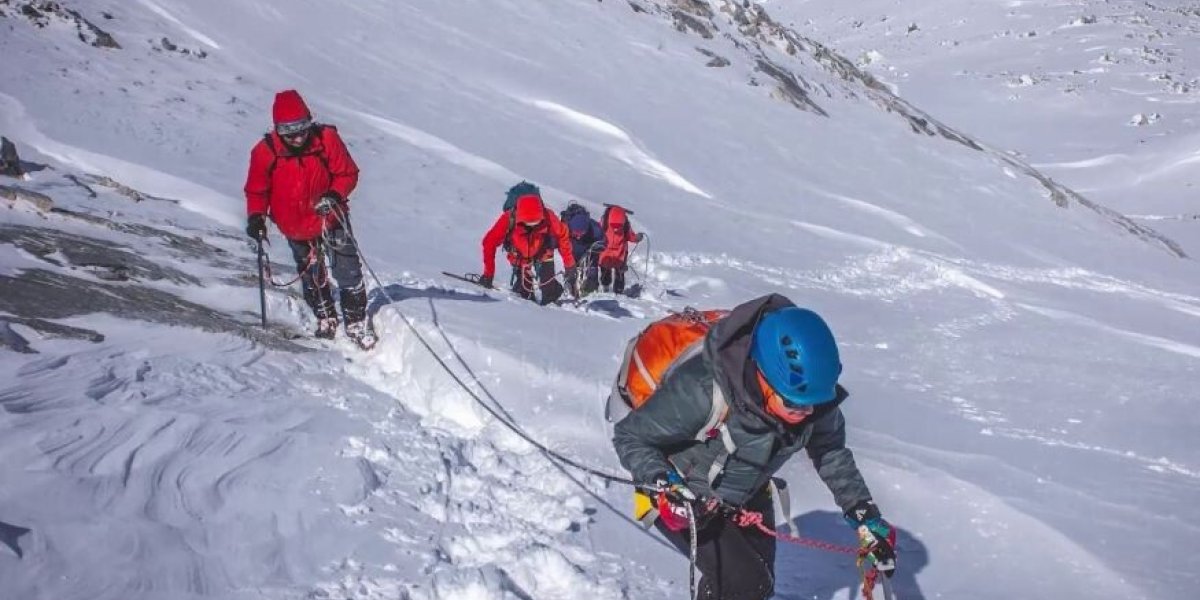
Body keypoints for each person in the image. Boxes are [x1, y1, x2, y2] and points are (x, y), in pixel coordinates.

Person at [611, 294, 897, 600]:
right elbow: (630, 436)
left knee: (755, 586)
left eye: (815, 404)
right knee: (747, 584)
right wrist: (664, 485)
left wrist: (865, 516)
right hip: (685, 495)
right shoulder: (704, 390)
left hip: (748, 491)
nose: (808, 413)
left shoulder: (809, 398)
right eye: (794, 404)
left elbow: (831, 453)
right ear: (764, 376)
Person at [243, 89, 376, 349]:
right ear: (278, 129)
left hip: (331, 217)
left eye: (303, 127)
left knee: (347, 269)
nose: (298, 137)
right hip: (293, 223)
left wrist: (334, 195)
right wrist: (256, 217)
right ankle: (325, 314)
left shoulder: (326, 139)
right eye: (289, 131)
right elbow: (257, 190)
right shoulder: (265, 152)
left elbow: (347, 173)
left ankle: (356, 320)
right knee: (311, 271)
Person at [480, 183, 576, 305]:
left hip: (543, 252)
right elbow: (489, 243)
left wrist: (569, 265)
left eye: (537, 222)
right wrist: (488, 274)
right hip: (519, 257)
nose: (533, 225)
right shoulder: (509, 218)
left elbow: (563, 235)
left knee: (549, 290)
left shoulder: (548, 216)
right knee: (524, 293)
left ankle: (553, 298)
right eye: (529, 223)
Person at [597, 204, 643, 295]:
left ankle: (616, 291)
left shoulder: (623, 224)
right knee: (609, 272)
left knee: (617, 272)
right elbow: (597, 232)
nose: (616, 229)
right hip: (610, 253)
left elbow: (630, 236)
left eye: (618, 226)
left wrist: (636, 238)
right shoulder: (605, 221)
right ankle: (609, 289)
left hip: (616, 253)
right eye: (613, 226)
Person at [560, 202, 603, 295]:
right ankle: (571, 291)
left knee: (591, 278)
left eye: (582, 234)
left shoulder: (594, 228)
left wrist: (600, 246)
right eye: (576, 234)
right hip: (570, 253)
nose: (579, 237)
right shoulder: (564, 228)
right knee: (571, 274)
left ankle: (589, 295)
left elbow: (603, 240)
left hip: (589, 255)